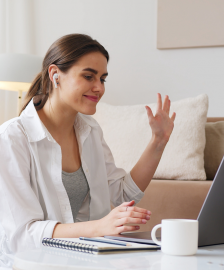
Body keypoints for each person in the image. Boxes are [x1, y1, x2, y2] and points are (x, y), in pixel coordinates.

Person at [0, 33, 176, 255]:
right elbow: (23, 234)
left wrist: (158, 141)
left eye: (102, 79)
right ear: (55, 75)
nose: (99, 88)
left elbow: (123, 194)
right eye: (88, 76)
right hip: (33, 262)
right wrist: (100, 227)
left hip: (86, 258)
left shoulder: (90, 130)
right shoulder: (12, 138)